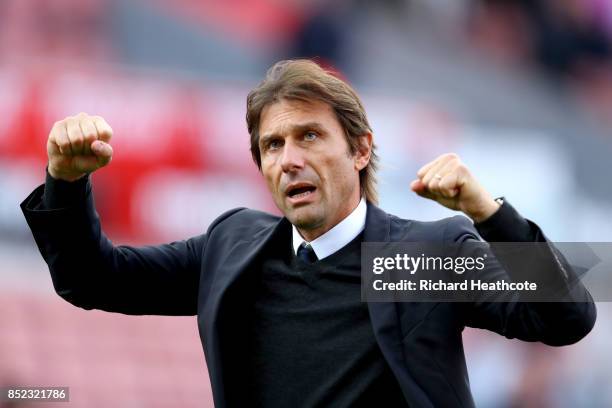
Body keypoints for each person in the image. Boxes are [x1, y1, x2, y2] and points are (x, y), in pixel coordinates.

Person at [20, 59, 595, 407]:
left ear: (361, 148)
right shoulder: (236, 248)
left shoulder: (412, 258)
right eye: (273, 145)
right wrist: (65, 183)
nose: (289, 159)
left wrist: (490, 214)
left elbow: (565, 318)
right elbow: (93, 280)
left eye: (310, 136)